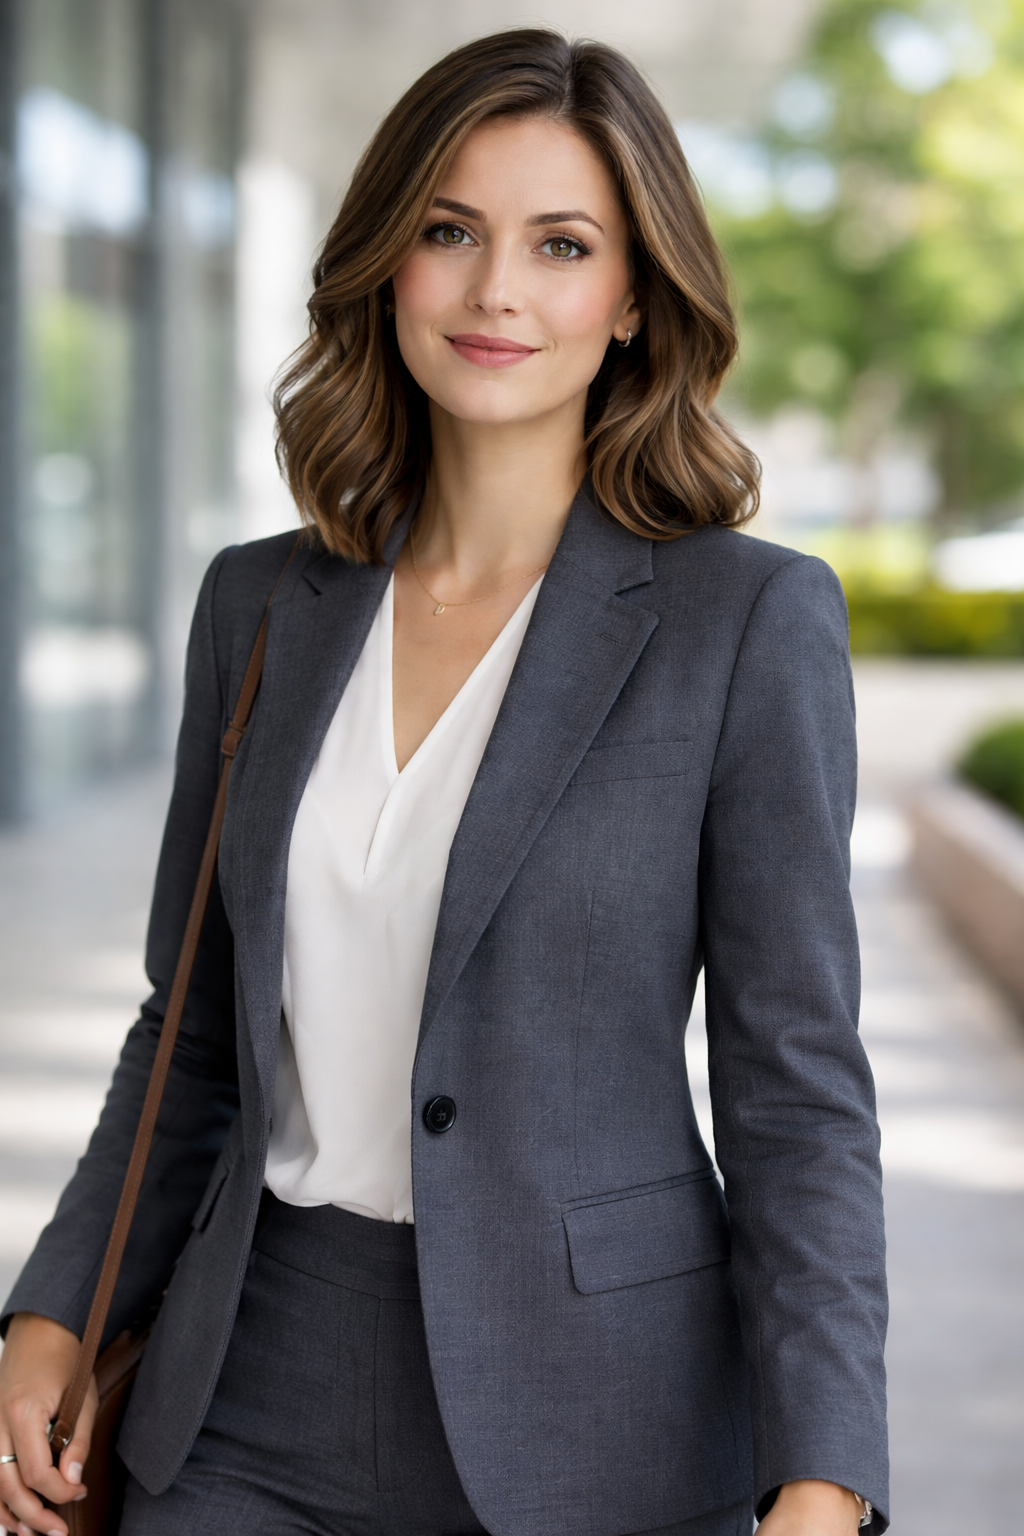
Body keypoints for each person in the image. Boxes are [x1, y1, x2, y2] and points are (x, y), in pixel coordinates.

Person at [0, 29, 888, 1536]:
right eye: (449, 231)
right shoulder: (263, 606)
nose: (496, 292)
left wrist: (827, 1475)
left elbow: (795, 1090)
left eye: (561, 244)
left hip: (595, 1418)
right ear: (384, 264)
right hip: (244, 1391)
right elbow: (191, 1027)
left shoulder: (746, 623)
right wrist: (55, 1311)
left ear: (630, 300)